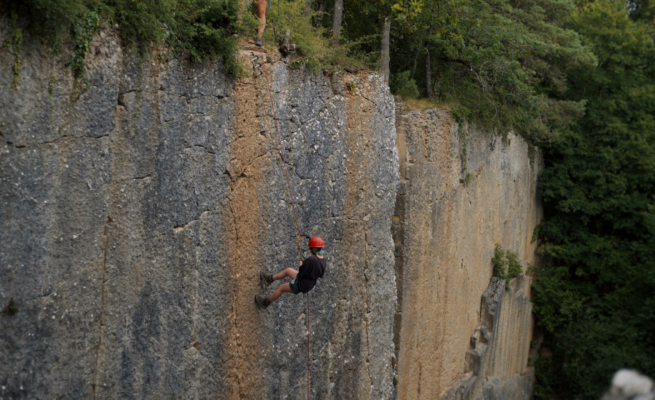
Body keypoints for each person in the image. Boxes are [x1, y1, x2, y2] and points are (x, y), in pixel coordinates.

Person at [255, 237, 326, 308]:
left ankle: (265, 302)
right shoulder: (323, 260)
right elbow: (319, 274)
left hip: (302, 283)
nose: (310, 250)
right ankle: (269, 279)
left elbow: (301, 270)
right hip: (308, 282)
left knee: (281, 288)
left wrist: (301, 260)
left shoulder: (312, 259)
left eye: (310, 249)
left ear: (314, 249)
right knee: (288, 270)